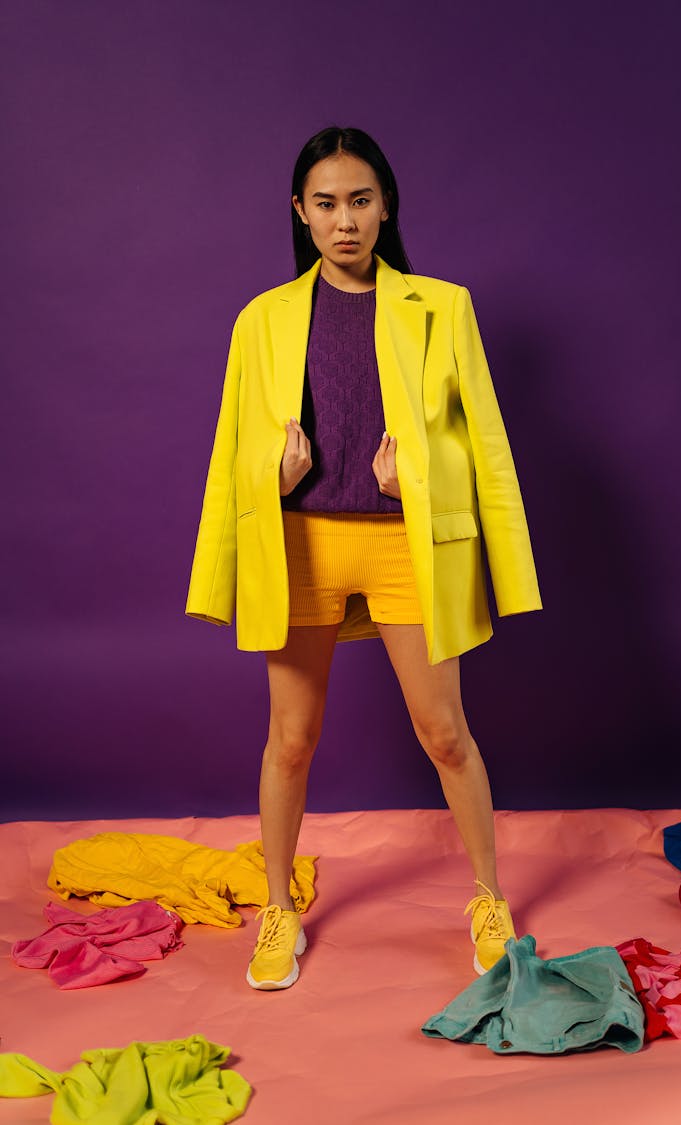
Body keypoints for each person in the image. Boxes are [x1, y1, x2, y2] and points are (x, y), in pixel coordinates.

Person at [186, 126, 542, 990]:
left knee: (445, 733)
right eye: (326, 203)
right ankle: (279, 909)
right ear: (301, 214)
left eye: (360, 200)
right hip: (300, 540)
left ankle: (489, 898)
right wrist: (272, 475)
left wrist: (419, 478)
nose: (344, 220)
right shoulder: (261, 318)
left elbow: (484, 440)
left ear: (385, 206)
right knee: (291, 740)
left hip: (403, 545)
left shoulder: (442, 306)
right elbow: (231, 444)